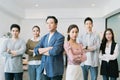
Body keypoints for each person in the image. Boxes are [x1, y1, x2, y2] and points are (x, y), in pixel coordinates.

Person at [34, 16, 65, 80]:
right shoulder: (44, 37)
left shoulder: (60, 37)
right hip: (44, 69)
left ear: (56, 25)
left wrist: (41, 51)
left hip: (55, 70)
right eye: (47, 23)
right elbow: (36, 50)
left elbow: (54, 51)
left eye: (51, 23)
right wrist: (48, 48)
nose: (49, 25)